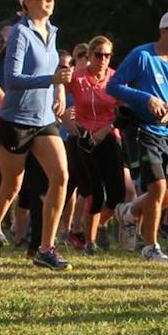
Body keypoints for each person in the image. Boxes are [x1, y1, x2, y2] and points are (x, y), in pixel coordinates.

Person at [0, 0, 73, 269]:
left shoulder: (52, 32)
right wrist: (50, 81)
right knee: (10, 188)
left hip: (44, 120)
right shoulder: (20, 33)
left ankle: (46, 248)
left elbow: (54, 68)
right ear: (26, 3)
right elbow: (13, 79)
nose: (48, 0)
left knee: (61, 176)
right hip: (15, 120)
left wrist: (60, 88)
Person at [107, 11, 168, 262]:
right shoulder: (142, 55)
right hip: (142, 129)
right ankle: (151, 246)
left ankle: (128, 211)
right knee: (157, 189)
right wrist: (146, 99)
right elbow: (114, 86)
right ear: (163, 31)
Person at [65, 35, 125, 253]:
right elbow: (56, 97)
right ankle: (89, 242)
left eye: (107, 55)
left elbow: (124, 111)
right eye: (98, 55)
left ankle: (98, 223)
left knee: (117, 194)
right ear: (89, 55)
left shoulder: (115, 79)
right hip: (82, 138)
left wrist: (106, 129)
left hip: (108, 135)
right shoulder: (77, 78)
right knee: (93, 191)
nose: (103, 59)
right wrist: (65, 118)